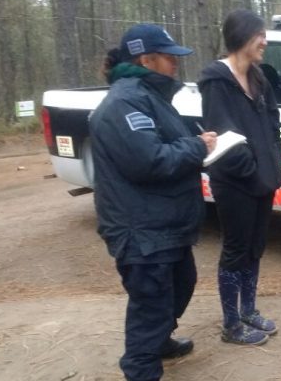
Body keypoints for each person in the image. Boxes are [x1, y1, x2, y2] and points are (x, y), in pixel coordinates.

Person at [90, 24, 217, 381]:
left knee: (182, 282)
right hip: (141, 229)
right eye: (170, 57)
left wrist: (194, 142)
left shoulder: (149, 97)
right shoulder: (125, 102)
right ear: (148, 60)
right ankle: (141, 366)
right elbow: (149, 160)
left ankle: (160, 339)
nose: (176, 64)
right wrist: (197, 147)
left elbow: (159, 144)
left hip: (163, 222)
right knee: (151, 304)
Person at [198, 10, 281, 346]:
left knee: (254, 247)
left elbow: (273, 122)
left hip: (262, 180)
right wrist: (254, 173)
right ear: (241, 38)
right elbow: (223, 135)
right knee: (236, 250)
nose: (264, 41)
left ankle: (248, 310)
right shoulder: (216, 82)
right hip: (234, 183)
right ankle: (231, 324)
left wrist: (273, 161)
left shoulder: (259, 78)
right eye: (259, 34)